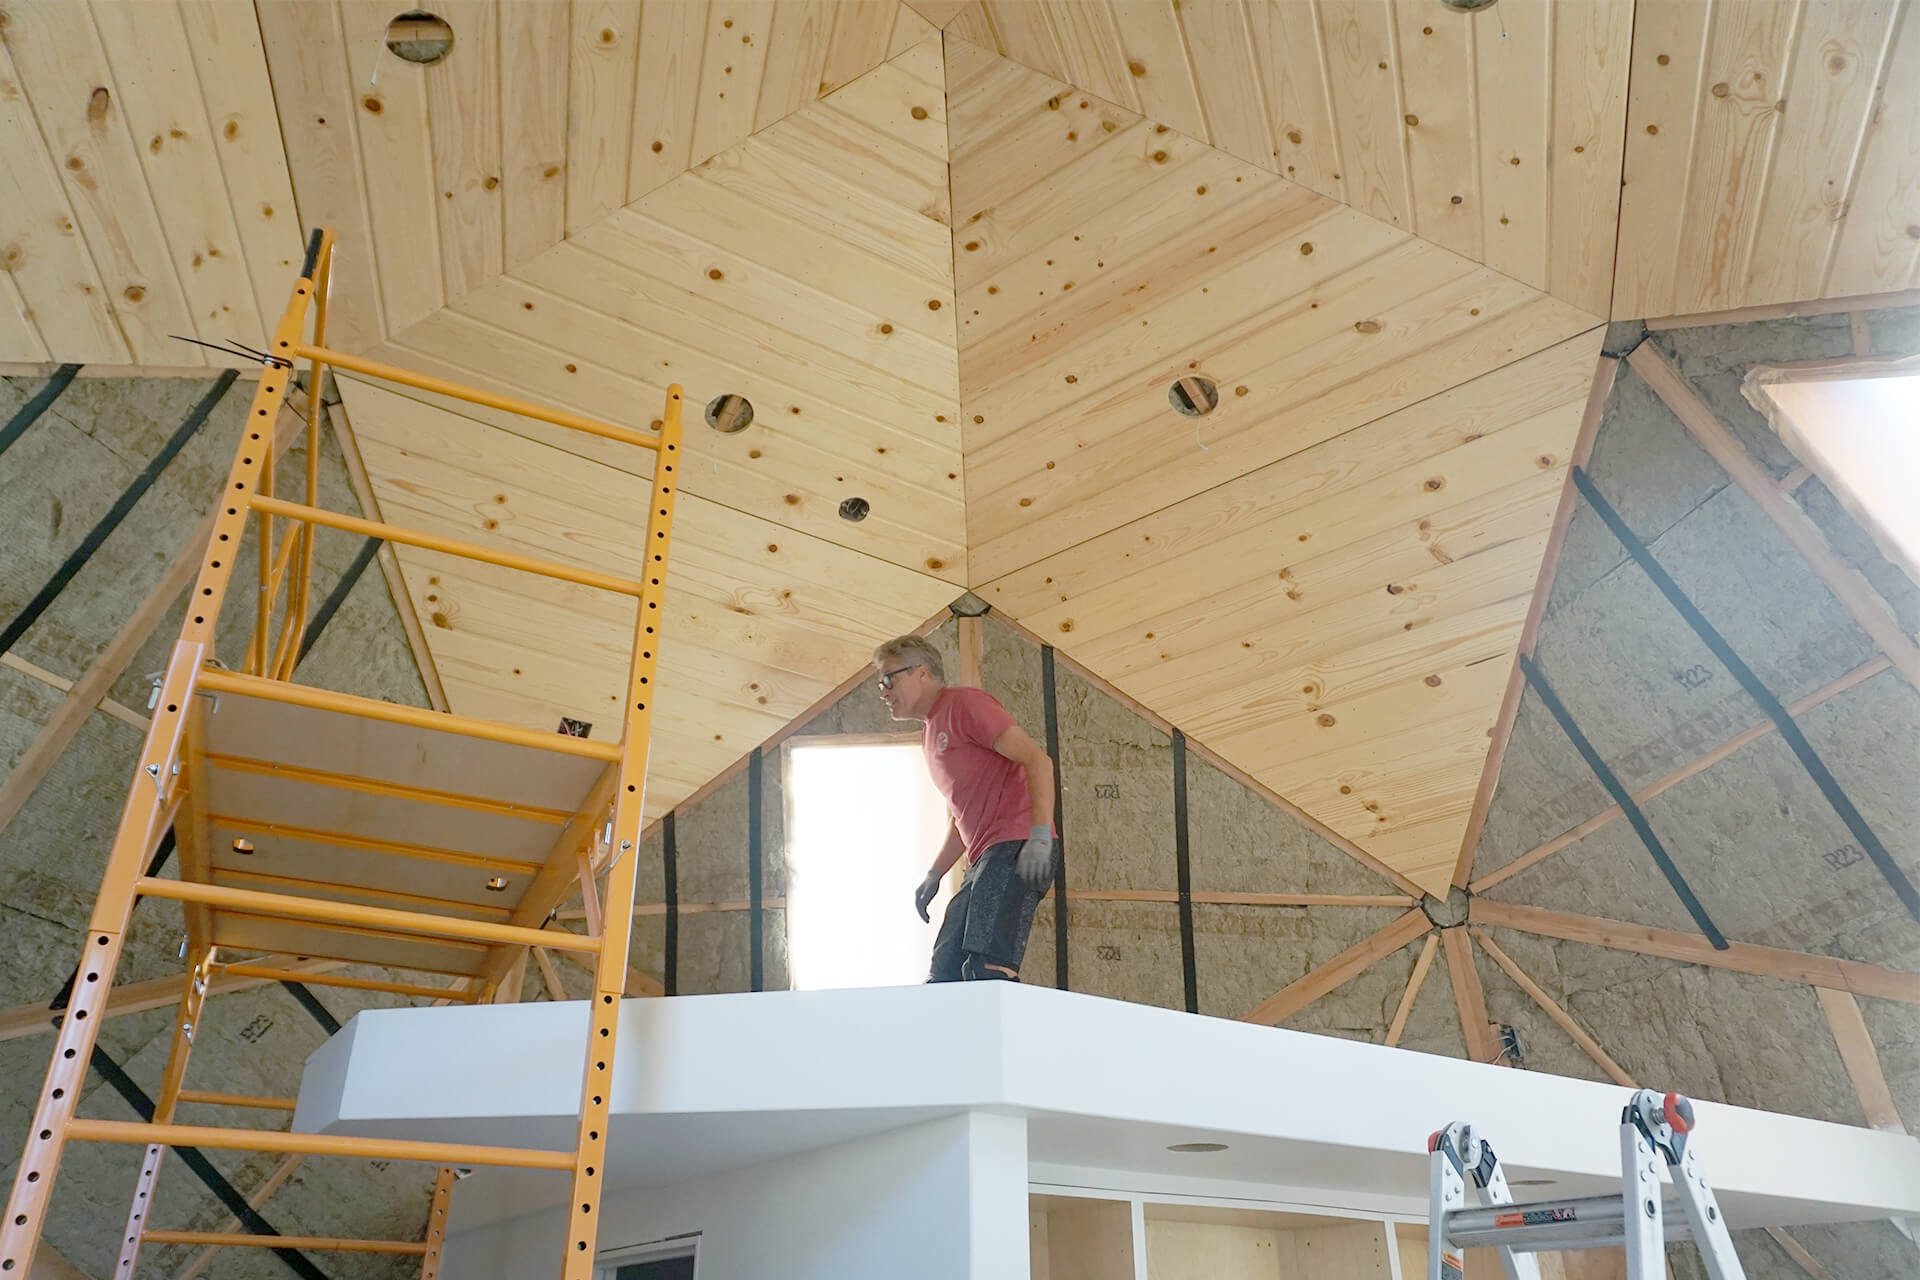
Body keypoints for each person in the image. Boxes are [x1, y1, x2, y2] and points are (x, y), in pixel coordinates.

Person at [873, 635, 1056, 982]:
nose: (883, 692)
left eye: (888, 680)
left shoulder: (964, 704)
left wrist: (1041, 836)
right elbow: (963, 816)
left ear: (921, 672)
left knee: (988, 968)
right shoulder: (930, 734)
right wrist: (935, 873)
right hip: (984, 858)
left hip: (1015, 845)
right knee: (944, 974)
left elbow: (1038, 760)